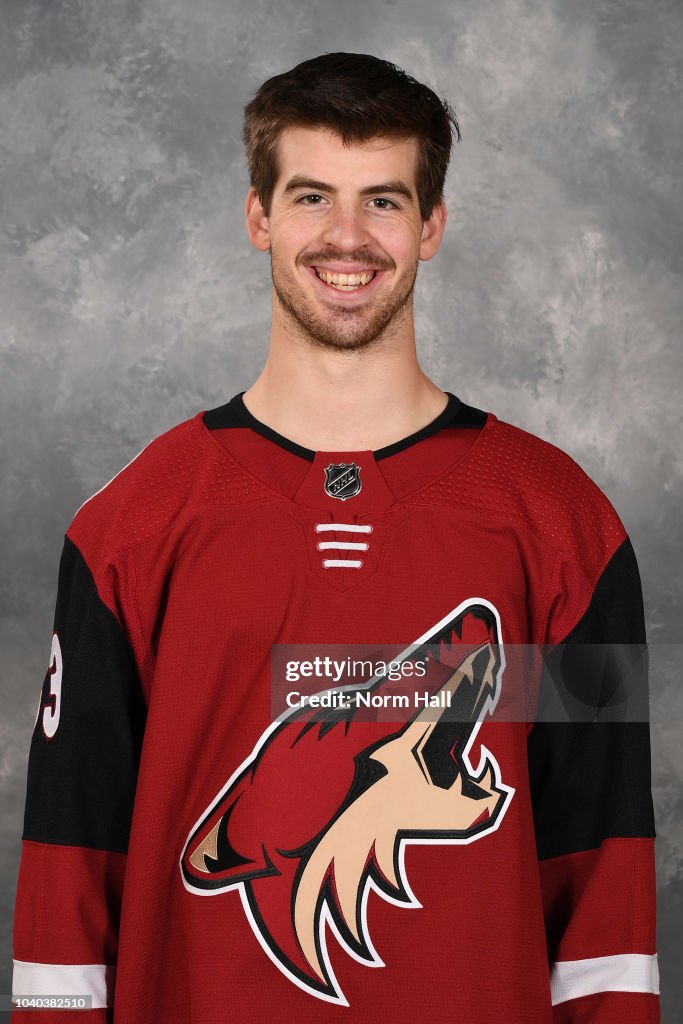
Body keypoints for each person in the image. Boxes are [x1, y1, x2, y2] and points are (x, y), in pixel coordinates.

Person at [11, 52, 660, 1022]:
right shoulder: (131, 527)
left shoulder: (564, 524)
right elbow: (73, 871)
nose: (346, 237)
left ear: (431, 225)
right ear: (257, 216)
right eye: (312, 196)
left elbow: (599, 864)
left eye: (384, 201)